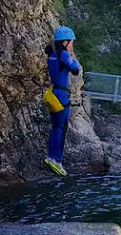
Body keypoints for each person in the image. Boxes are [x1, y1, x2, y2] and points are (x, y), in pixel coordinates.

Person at [44, 26, 80, 176]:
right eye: (71, 42)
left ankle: (51, 156)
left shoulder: (52, 54)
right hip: (61, 95)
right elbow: (75, 69)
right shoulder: (63, 54)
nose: (72, 45)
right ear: (65, 42)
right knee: (61, 128)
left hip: (52, 93)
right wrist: (71, 58)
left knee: (55, 127)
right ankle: (56, 160)